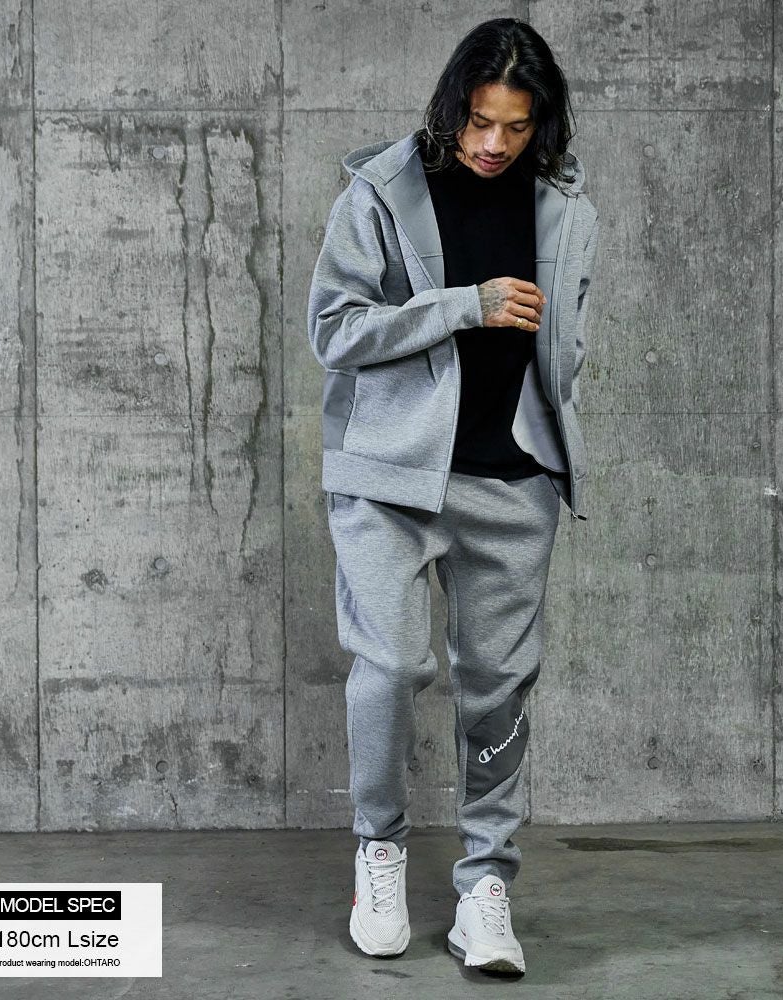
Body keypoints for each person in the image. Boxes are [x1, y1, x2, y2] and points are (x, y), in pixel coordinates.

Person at [306, 16, 598, 976]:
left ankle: (485, 886)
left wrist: (553, 444)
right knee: (391, 665)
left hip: (512, 481)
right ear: (451, 107)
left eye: (515, 126)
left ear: (540, 122)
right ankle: (379, 851)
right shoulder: (381, 192)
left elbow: (565, 342)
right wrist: (463, 305)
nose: (493, 144)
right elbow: (334, 329)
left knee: (499, 690)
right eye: (479, 121)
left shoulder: (564, 207)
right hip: (390, 477)